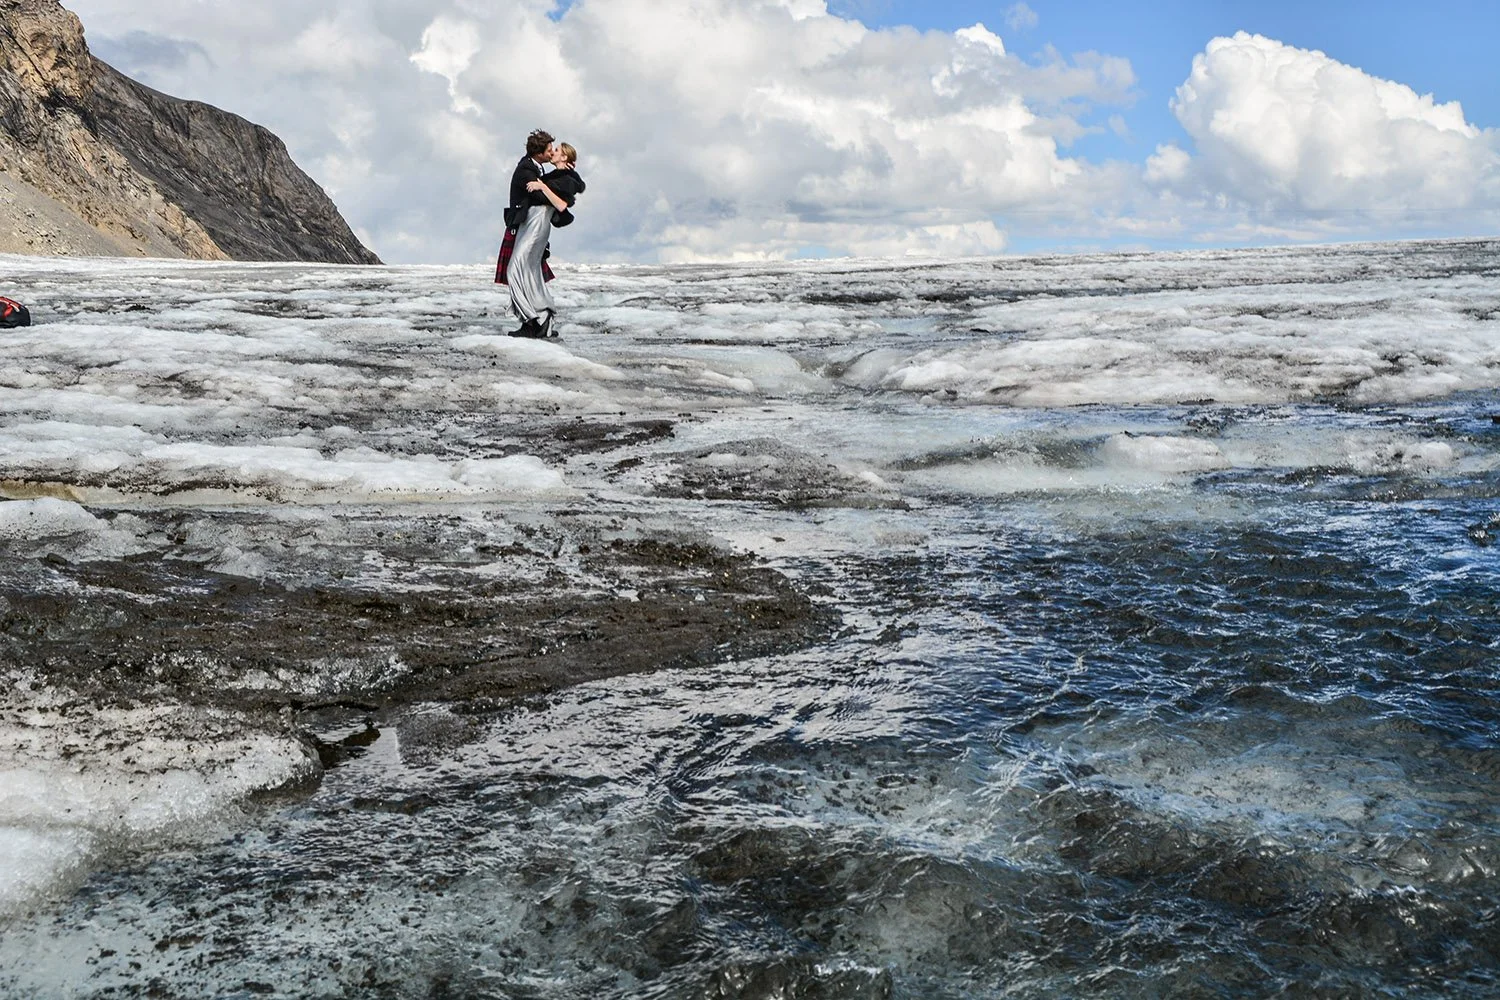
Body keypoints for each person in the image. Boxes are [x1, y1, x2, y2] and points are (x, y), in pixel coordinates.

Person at [500, 129, 558, 338]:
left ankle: (535, 321)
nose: (552, 153)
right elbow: (543, 197)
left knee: (521, 271)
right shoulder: (526, 170)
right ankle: (535, 320)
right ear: (539, 152)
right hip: (526, 225)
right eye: (549, 150)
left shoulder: (536, 169)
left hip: (532, 226)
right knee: (520, 271)